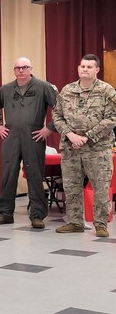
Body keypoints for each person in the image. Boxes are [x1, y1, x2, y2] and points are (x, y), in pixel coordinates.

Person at [0, 57, 58, 228]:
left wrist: (49, 128)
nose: (21, 70)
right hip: (10, 138)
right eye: (17, 68)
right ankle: (5, 213)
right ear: (14, 70)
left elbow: (62, 107)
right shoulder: (6, 89)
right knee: (8, 175)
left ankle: (37, 215)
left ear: (30, 68)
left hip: (33, 137)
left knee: (34, 176)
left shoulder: (43, 87)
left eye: (24, 67)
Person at [52, 54, 116, 238]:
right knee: (71, 187)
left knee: (101, 187)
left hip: (97, 149)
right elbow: (57, 116)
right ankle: (75, 222)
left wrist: (87, 136)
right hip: (71, 148)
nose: (85, 69)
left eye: (89, 67)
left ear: (97, 69)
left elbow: (112, 118)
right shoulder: (67, 90)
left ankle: (101, 224)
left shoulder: (107, 91)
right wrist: (70, 135)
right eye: (82, 66)